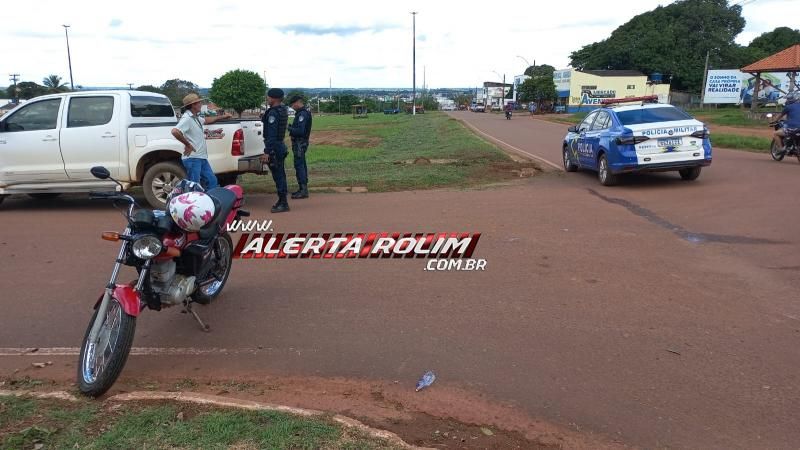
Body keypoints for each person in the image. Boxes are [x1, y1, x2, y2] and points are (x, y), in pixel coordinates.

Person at [171, 93, 232, 190]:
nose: (201, 104)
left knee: (212, 181)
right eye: (199, 103)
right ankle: (194, 199)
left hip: (201, 157)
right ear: (193, 105)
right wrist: (188, 145)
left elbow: (206, 120)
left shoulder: (195, 117)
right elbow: (175, 131)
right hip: (193, 158)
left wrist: (223, 117)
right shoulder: (187, 118)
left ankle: (209, 199)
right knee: (194, 186)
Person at [261, 88, 290, 213]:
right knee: (280, 174)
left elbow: (271, 134)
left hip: (275, 147)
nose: (267, 99)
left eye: (268, 97)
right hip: (280, 145)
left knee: (278, 175)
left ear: (273, 98)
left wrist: (267, 151)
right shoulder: (282, 110)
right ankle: (282, 200)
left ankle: (283, 203)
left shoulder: (273, 113)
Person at [287, 95, 313, 199]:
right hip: (300, 143)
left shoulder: (302, 114)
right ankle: (303, 188)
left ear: (298, 102)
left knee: (299, 165)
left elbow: (300, 131)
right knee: (301, 164)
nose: (292, 107)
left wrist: (289, 128)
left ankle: (303, 190)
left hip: (299, 143)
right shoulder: (302, 113)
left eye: (293, 105)